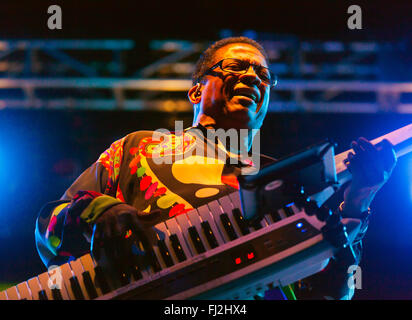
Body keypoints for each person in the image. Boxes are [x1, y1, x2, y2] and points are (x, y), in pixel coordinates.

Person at [35, 36, 397, 300]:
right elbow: (47, 228)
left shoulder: (287, 182)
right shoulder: (139, 149)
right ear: (196, 92)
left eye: (263, 74)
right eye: (236, 67)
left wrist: (359, 199)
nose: (254, 77)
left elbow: (329, 293)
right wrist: (99, 210)